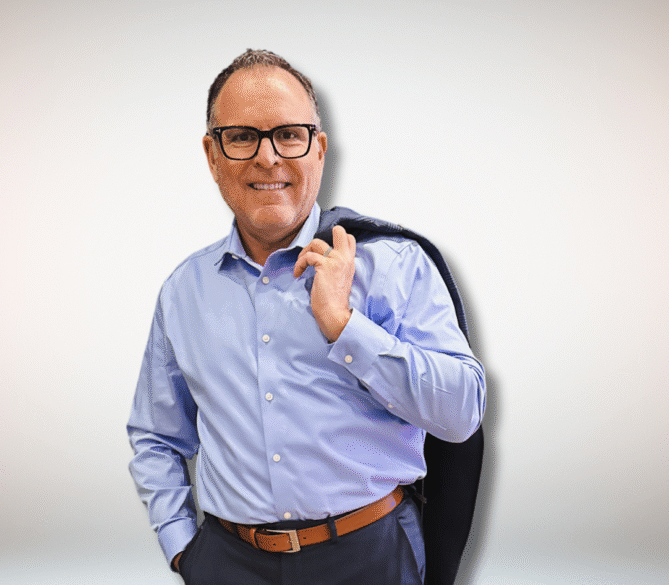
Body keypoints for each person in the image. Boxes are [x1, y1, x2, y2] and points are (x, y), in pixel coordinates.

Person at [127, 49, 485, 584]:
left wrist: (346, 328)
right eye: (242, 136)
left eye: (288, 135)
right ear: (212, 154)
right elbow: (156, 436)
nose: (268, 158)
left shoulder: (393, 265)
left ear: (318, 149)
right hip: (230, 563)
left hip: (372, 558)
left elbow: (462, 413)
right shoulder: (183, 291)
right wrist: (183, 547)